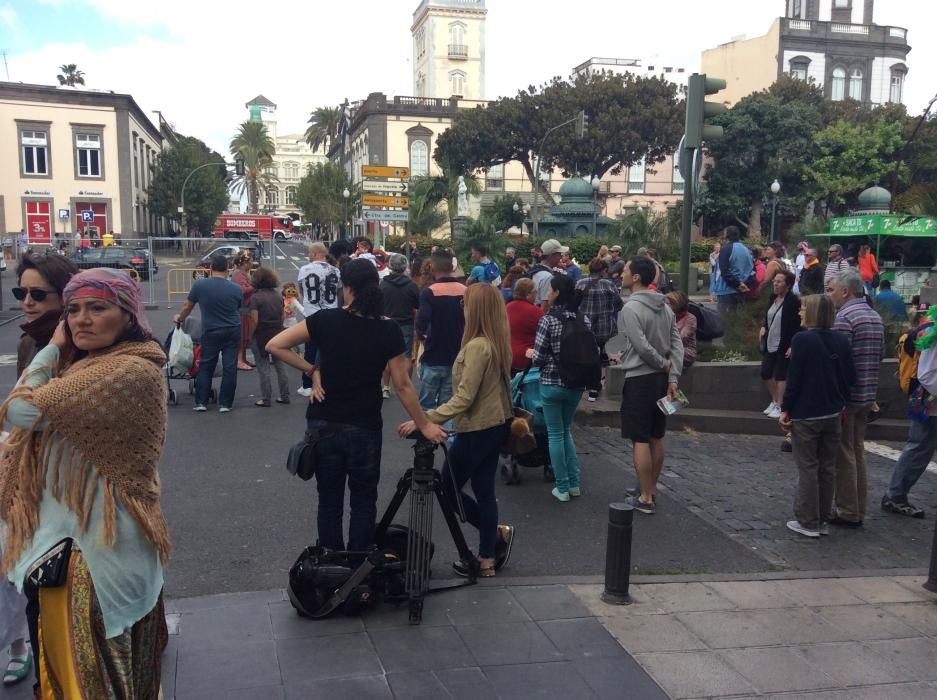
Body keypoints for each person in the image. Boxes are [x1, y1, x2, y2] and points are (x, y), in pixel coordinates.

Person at [0, 267, 170, 696]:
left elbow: (20, 410)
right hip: (87, 543)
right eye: (73, 310)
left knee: (85, 679)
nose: (81, 319)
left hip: (94, 557)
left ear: (128, 313)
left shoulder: (127, 370)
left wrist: (53, 349)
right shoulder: (95, 365)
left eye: (97, 307)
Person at [266, 260, 447, 552]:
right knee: (364, 500)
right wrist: (424, 423)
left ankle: (330, 566)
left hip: (324, 423)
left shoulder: (325, 320)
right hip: (364, 425)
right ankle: (358, 567)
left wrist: (313, 371)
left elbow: (275, 345)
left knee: (329, 500)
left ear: (347, 288)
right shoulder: (386, 329)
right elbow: (402, 384)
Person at [399, 284, 516, 577]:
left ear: (474, 309)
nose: (461, 307)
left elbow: (465, 397)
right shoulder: (495, 342)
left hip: (478, 427)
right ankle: (487, 556)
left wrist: (425, 419)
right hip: (496, 424)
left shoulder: (477, 346)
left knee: (448, 489)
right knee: (483, 489)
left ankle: (494, 539)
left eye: (465, 303)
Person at [779, 293, 856, 538]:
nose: (799, 312)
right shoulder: (842, 340)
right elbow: (850, 377)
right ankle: (823, 518)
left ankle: (808, 520)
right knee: (827, 467)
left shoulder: (802, 340)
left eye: (802, 308)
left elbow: (795, 381)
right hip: (832, 411)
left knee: (808, 467)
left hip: (807, 413)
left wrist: (785, 408)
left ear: (811, 312)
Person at [618, 256, 684, 514]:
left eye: (625, 270)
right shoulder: (665, 307)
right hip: (660, 380)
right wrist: (672, 375)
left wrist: (662, 364)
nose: (621, 273)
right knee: (657, 435)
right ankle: (649, 488)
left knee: (640, 439)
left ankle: (645, 496)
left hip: (640, 378)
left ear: (636, 277)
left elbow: (640, 344)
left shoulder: (631, 308)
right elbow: (676, 344)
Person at [827, 268, 885, 527]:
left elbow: (839, 360)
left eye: (833, 290)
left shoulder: (845, 317)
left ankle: (848, 509)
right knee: (858, 450)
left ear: (845, 291)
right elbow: (880, 356)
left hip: (848, 396)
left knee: (845, 453)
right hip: (867, 392)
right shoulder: (874, 316)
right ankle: (858, 507)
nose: (832, 296)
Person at [527, 274, 591, 502]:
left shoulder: (548, 320)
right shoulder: (583, 318)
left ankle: (562, 487)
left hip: (552, 383)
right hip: (576, 383)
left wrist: (531, 354)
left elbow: (539, 358)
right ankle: (574, 484)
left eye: (550, 290)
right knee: (566, 431)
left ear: (555, 293)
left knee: (555, 433)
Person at [882, 306, 937, 518]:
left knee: (920, 448)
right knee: (919, 448)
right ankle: (895, 495)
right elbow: (927, 374)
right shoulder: (933, 333)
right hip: (928, 404)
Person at [174, 254, 243, 412]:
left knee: (206, 365)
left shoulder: (200, 286)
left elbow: (187, 306)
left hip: (211, 329)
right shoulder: (236, 288)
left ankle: (201, 402)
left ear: (211, 268)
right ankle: (226, 403)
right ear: (227, 269)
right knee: (230, 366)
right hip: (233, 329)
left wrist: (180, 318)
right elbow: (237, 307)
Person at [416, 250, 466, 411]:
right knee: (447, 407)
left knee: (426, 406)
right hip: (457, 356)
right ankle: (446, 435)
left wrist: (422, 338)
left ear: (432, 268)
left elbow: (421, 323)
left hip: (433, 354)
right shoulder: (465, 291)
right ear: (452, 267)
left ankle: (425, 434)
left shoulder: (429, 292)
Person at [14, 253, 79, 378]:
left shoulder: (82, 342)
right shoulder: (27, 342)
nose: (27, 302)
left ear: (64, 297)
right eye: (20, 293)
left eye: (38, 294)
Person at [296, 242, 342, 397]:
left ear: (315, 253)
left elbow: (301, 289)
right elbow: (339, 291)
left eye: (310, 253)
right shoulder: (335, 271)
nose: (309, 255)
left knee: (310, 349)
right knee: (329, 348)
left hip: (311, 313)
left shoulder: (304, 270)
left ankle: (307, 384)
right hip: (331, 312)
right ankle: (328, 381)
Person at [576, 257, 624, 400]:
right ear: (603, 270)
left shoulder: (580, 283)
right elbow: (619, 305)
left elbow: (574, 303)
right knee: (597, 354)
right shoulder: (608, 285)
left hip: (584, 326)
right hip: (603, 327)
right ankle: (594, 387)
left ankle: (585, 383)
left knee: (586, 353)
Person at [759, 269, 801, 419]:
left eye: (779, 282)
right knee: (766, 372)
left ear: (788, 285)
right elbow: (768, 315)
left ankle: (780, 404)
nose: (775, 284)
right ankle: (775, 400)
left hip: (783, 343)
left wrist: (793, 345)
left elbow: (797, 325)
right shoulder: (772, 298)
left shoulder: (793, 301)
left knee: (781, 375)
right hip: (770, 341)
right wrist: (764, 327)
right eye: (774, 281)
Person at [249, 267, 291, 407]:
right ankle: (285, 395)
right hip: (277, 332)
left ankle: (266, 398)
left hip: (261, 334)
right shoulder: (278, 295)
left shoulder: (255, 297)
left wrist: (250, 335)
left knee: (263, 367)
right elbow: (282, 315)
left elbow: (254, 320)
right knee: (280, 365)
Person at [380, 253, 421, 397]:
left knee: (386, 355)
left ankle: (385, 387)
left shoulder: (383, 284)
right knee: (406, 356)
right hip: (406, 324)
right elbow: (418, 306)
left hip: (386, 323)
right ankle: (406, 385)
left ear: (390, 266)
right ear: (405, 267)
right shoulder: (411, 286)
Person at [711, 226, 754, 314]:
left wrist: (737, 284)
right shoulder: (746, 250)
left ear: (726, 235)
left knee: (724, 322)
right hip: (742, 291)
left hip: (726, 291)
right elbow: (752, 270)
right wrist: (744, 284)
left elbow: (724, 270)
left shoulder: (726, 249)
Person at [506, 277, 543, 373]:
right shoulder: (536, 311)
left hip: (507, 356)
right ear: (527, 294)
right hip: (527, 360)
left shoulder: (507, 307)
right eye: (535, 292)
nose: (536, 295)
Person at [231, 251, 256, 371]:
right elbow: (241, 290)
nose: (252, 262)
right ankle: (239, 360)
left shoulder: (243, 273)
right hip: (242, 310)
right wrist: (255, 286)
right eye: (250, 260)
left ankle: (243, 358)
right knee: (242, 336)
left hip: (245, 309)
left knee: (245, 336)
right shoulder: (238, 275)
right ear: (245, 263)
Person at [665, 290, 697, 373]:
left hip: (684, 351)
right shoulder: (666, 316)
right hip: (668, 349)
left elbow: (682, 337)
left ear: (676, 304)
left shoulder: (690, 318)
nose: (664, 306)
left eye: (667, 304)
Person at [530, 240, 567, 309]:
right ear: (551, 256)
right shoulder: (547, 276)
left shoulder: (535, 270)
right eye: (559, 254)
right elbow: (545, 307)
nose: (561, 257)